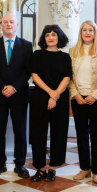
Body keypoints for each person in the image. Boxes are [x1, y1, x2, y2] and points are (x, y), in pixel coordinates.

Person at [0, 12, 33, 178]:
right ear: (1, 25)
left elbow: (27, 71)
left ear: (17, 25)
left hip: (19, 94)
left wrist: (13, 87)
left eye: (11, 22)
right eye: (5, 22)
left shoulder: (26, 46)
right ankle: (0, 163)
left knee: (20, 131)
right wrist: (2, 87)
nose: (8, 24)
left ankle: (20, 164)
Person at [29, 25, 72, 182]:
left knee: (59, 132)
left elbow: (67, 78)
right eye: (47, 35)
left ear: (59, 37)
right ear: (44, 38)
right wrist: (50, 93)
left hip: (59, 98)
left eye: (54, 34)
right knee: (38, 132)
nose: (51, 37)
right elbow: (35, 76)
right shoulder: (37, 55)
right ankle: (40, 168)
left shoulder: (65, 57)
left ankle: (53, 168)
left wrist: (55, 96)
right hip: (40, 96)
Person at [69, 21, 97, 183]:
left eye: (91, 30)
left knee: (96, 135)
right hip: (78, 99)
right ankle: (85, 168)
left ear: (95, 32)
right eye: (84, 30)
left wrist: (95, 94)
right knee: (81, 135)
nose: (87, 32)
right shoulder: (73, 52)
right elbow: (68, 77)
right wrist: (75, 94)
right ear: (80, 33)